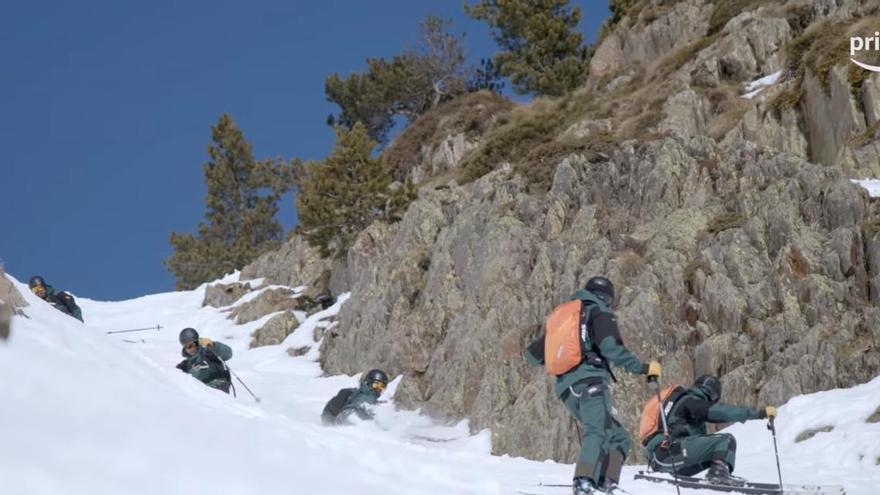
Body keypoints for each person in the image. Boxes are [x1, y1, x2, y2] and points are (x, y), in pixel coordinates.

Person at [524, 276, 662, 495]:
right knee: (597, 430)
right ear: (607, 298)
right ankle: (583, 482)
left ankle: (606, 483)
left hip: (566, 390)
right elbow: (611, 349)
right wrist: (645, 368)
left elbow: (531, 356)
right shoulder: (600, 313)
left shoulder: (565, 319)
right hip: (590, 381)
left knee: (617, 436)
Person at [643, 375, 777, 485]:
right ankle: (718, 474)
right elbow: (720, 412)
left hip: (661, 460)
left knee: (714, 455)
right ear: (711, 392)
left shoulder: (683, 407)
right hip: (668, 453)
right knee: (726, 441)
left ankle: (718, 472)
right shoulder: (690, 402)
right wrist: (757, 413)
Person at [175, 327, 234, 393]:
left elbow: (229, 353)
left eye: (195, 344)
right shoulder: (185, 365)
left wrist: (214, 346)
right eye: (189, 346)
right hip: (200, 394)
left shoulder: (208, 352)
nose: (193, 348)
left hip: (218, 386)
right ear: (184, 348)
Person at [321, 369, 389, 426]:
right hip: (340, 424)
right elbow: (331, 414)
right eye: (376, 385)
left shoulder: (374, 402)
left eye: (382, 387)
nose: (378, 390)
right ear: (368, 382)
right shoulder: (351, 394)